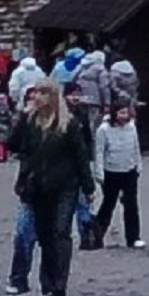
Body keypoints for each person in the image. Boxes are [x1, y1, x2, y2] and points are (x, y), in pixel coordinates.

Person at [9, 78, 95, 296]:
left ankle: (59, 283)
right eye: (35, 93)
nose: (37, 97)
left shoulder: (69, 124)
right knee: (45, 234)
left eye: (42, 93)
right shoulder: (30, 123)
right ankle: (47, 283)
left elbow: (80, 156)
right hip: (38, 186)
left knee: (61, 231)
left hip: (65, 185)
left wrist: (88, 187)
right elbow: (13, 144)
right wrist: (22, 117)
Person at [92, 99, 145, 249]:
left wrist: (138, 165)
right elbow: (99, 152)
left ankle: (133, 237)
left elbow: (136, 147)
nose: (124, 115)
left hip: (129, 170)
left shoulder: (131, 128)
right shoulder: (103, 130)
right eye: (121, 112)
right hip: (111, 172)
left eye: (126, 112)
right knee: (108, 203)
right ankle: (97, 234)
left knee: (131, 204)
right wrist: (99, 172)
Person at [5, 86, 41, 296]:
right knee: (23, 235)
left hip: (55, 189)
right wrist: (23, 119)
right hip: (29, 187)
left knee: (53, 238)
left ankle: (52, 281)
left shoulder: (60, 123)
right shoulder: (25, 122)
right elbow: (13, 144)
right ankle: (19, 279)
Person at [62, 81, 98, 248]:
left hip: (82, 161)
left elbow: (88, 137)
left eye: (77, 94)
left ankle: (86, 234)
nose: (75, 97)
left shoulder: (82, 113)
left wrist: (90, 155)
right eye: (72, 94)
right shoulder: (62, 114)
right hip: (66, 163)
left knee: (84, 199)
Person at [73, 50, 110, 129]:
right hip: (94, 99)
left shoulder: (82, 66)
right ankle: (93, 139)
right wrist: (107, 102)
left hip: (80, 97)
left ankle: (83, 138)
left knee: (82, 120)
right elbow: (104, 86)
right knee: (93, 121)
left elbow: (73, 78)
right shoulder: (101, 69)